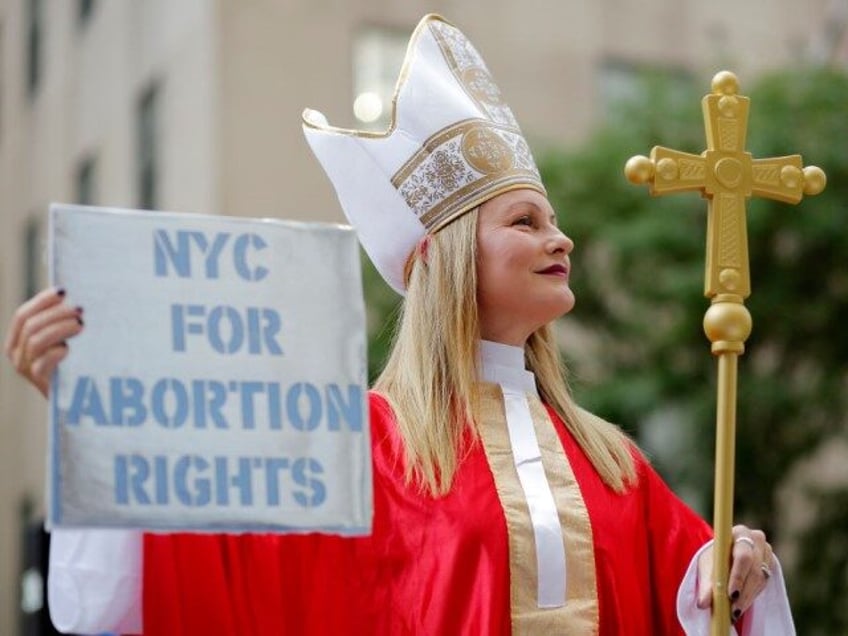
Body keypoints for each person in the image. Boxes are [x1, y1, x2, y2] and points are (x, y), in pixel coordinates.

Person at [5, 13, 795, 636]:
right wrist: (96, 416)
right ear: (446, 261)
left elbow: (702, 595)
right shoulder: (349, 452)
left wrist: (735, 564)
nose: (562, 239)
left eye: (553, 221)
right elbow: (200, 564)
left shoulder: (614, 463)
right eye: (525, 221)